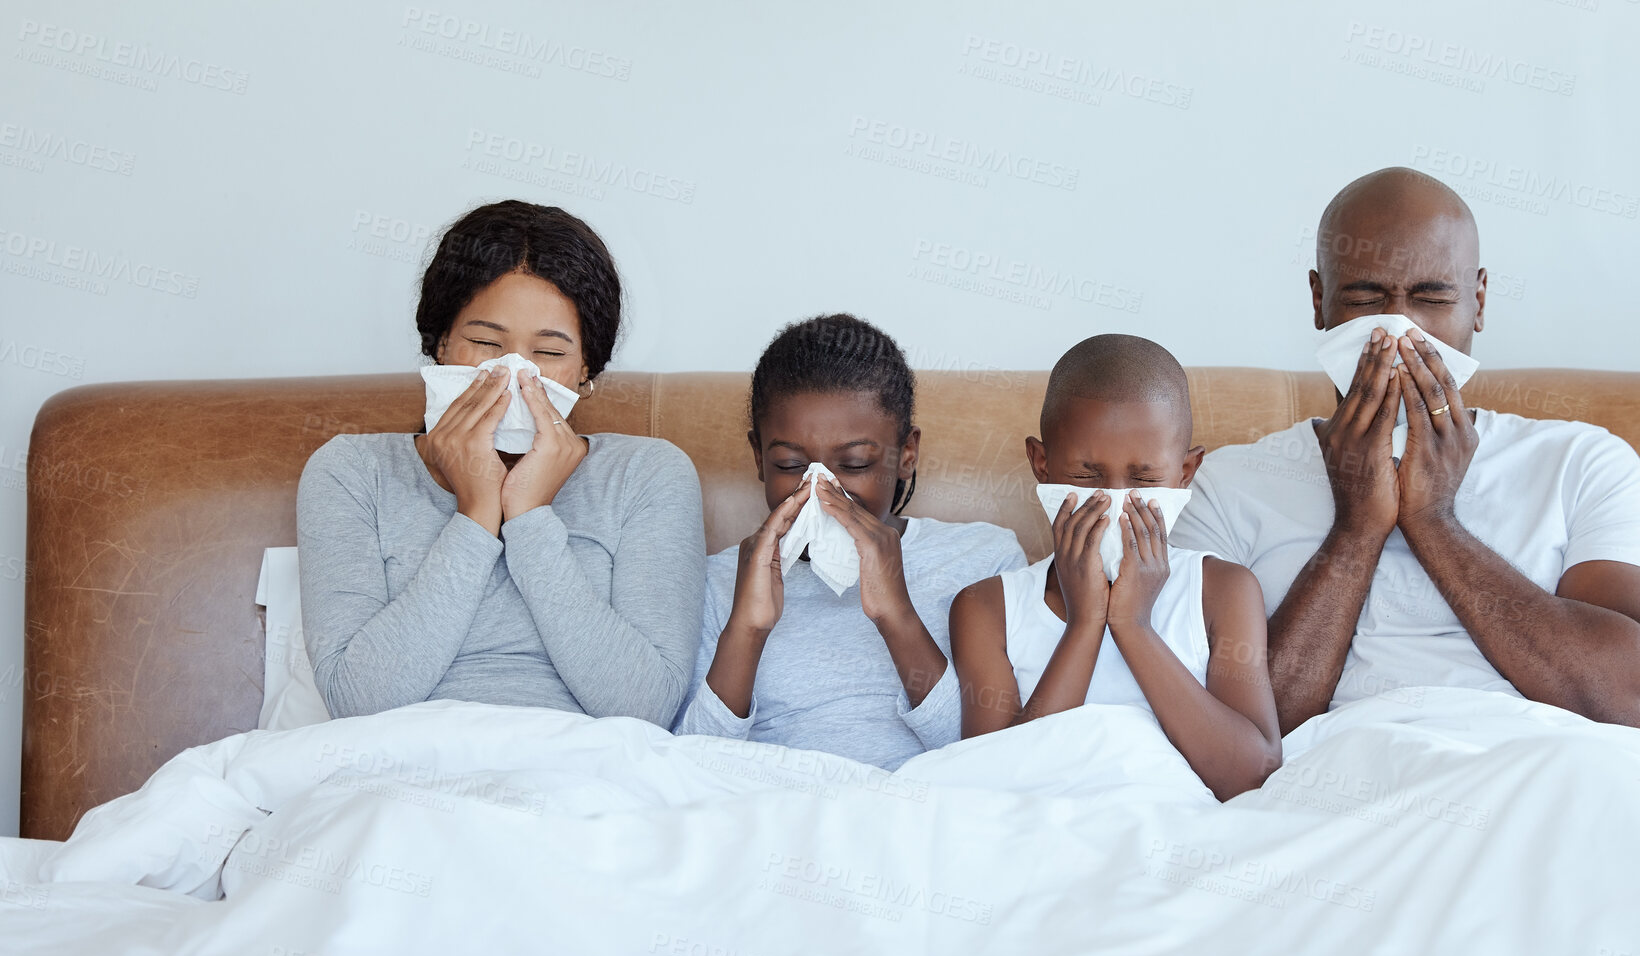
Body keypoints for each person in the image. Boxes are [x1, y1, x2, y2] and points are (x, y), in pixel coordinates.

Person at [1171, 167, 1640, 735]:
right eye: (1366, 298)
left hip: (1541, 776)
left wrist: (1434, 522)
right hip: (1330, 788)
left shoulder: (1580, 463)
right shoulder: (1227, 485)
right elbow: (1221, 738)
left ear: (1479, 302)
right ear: (1319, 301)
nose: (1399, 331)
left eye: (1432, 298)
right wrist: (1357, 530)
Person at [298, 199, 705, 724]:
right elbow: (358, 705)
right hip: (405, 775)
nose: (515, 373)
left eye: (550, 353)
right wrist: (475, 510)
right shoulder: (352, 471)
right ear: (441, 343)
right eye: (487, 342)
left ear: (587, 370)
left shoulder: (648, 475)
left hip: (586, 775)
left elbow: (644, 709)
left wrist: (529, 516)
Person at [674, 314, 1025, 769]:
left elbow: (996, 758)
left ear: (906, 455)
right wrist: (747, 629)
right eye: (789, 464)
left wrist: (896, 615)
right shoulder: (717, 581)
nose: (822, 490)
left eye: (856, 463)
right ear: (758, 458)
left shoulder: (985, 560)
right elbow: (685, 764)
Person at [952, 335, 1281, 801]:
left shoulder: (1223, 591)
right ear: (1041, 463)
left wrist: (1133, 625)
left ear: (1186, 473)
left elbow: (1250, 775)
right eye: (1087, 476)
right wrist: (1085, 623)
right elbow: (991, 787)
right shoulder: (986, 608)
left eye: (1145, 478)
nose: (1114, 501)